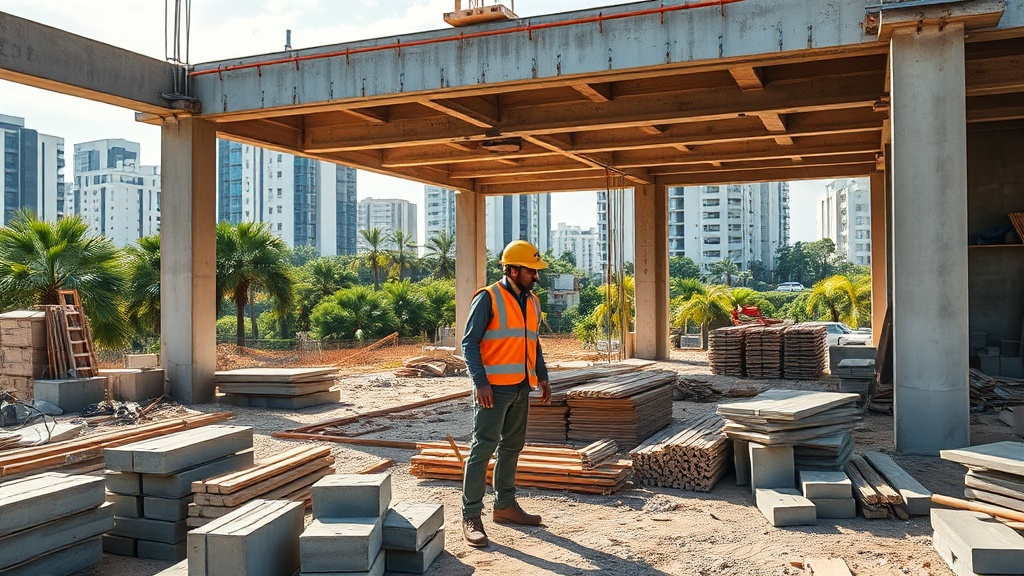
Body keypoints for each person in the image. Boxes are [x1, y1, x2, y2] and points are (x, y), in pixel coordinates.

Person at [460, 239, 552, 548]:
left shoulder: (533, 301)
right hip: (493, 390)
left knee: (512, 447)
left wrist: (543, 377)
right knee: (482, 449)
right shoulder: (488, 298)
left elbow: (532, 343)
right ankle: (471, 516)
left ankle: (505, 506)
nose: (535, 276)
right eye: (530, 271)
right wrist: (480, 382)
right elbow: (469, 343)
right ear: (512, 269)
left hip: (521, 386)